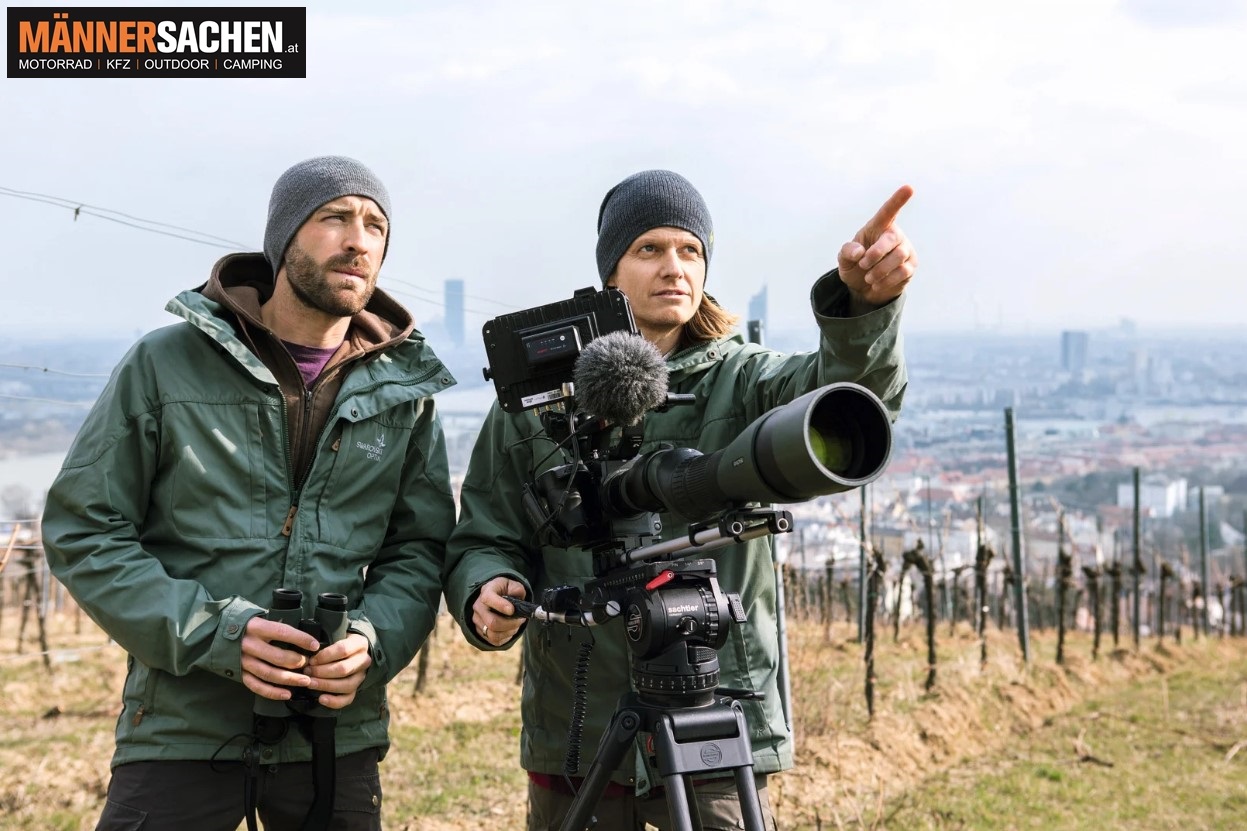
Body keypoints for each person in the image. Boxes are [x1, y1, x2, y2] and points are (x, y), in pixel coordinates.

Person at [443, 169, 916, 830]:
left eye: (690, 250)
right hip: (578, 720)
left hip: (714, 713)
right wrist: (487, 586)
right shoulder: (535, 402)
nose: (674, 266)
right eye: (649, 249)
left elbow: (850, 399)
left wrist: (861, 311)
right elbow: (486, 532)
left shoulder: (742, 379)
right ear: (611, 272)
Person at [42, 155, 456, 831]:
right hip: (181, 726)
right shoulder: (165, 364)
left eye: (376, 225)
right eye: (335, 217)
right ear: (283, 237)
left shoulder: (404, 391)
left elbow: (420, 548)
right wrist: (217, 633)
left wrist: (371, 641)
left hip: (333, 730)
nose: (359, 240)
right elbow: (85, 529)